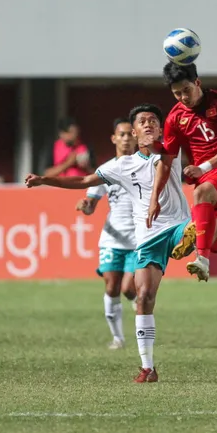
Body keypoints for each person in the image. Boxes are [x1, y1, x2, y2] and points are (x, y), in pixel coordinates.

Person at [25, 104, 194, 384]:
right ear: (134, 130)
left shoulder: (171, 150)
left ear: (161, 128)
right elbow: (84, 179)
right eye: (142, 122)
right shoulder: (119, 167)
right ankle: (148, 368)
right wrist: (45, 180)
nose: (148, 124)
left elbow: (182, 151)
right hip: (148, 237)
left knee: (201, 223)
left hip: (177, 225)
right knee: (142, 298)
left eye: (154, 120)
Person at [144, 62, 217, 284]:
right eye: (177, 94)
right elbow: (166, 161)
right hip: (207, 179)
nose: (183, 97)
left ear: (198, 83)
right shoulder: (175, 118)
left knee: (202, 194)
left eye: (186, 90)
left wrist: (203, 168)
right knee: (208, 236)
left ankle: (202, 261)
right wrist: (154, 197)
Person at [75, 118, 138, 350]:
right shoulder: (105, 170)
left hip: (139, 239)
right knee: (111, 287)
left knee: (128, 288)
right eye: (121, 134)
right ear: (114, 138)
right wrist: (85, 206)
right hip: (113, 239)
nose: (126, 138)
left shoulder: (146, 167)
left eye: (130, 134)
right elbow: (91, 205)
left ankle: (135, 299)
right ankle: (118, 338)